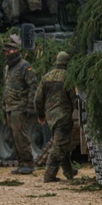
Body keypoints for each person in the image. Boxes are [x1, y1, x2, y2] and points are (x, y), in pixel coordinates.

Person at [34, 51, 78, 183]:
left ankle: (69, 172)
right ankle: (49, 175)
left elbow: (37, 99)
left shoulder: (46, 77)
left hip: (50, 117)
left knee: (62, 143)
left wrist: (40, 115)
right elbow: (74, 98)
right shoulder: (68, 77)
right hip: (63, 116)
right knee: (59, 146)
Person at [3, 38, 38, 175]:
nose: (8, 53)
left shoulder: (24, 66)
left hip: (20, 106)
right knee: (14, 136)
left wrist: (30, 105)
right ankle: (21, 163)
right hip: (9, 107)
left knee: (21, 136)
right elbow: (6, 87)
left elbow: (33, 86)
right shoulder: (7, 68)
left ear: (17, 51)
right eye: (7, 51)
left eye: (11, 50)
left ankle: (28, 163)